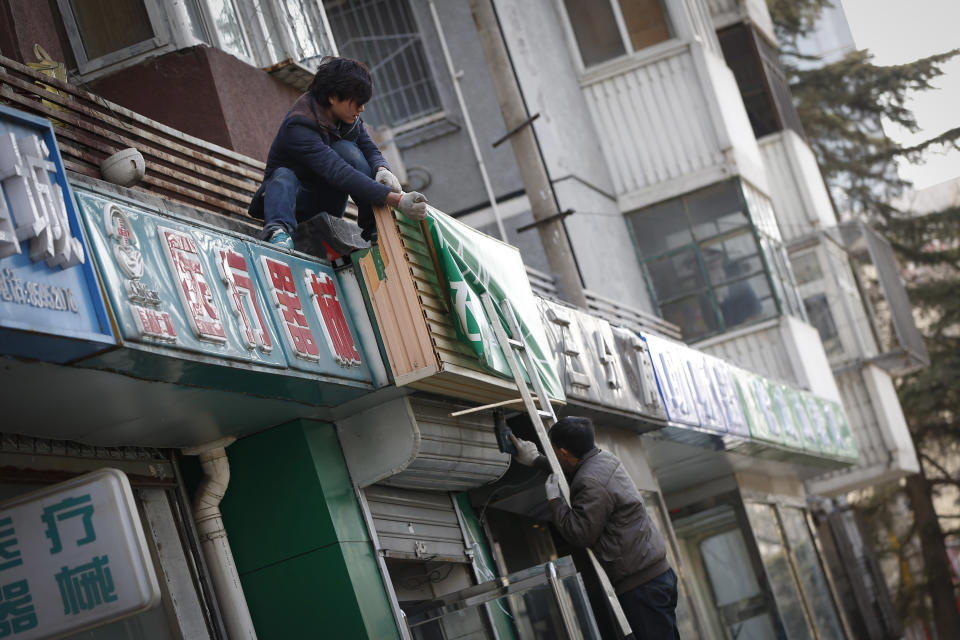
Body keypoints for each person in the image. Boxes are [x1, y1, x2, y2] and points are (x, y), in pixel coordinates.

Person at [510, 416, 680, 639]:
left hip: (641, 586)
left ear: (563, 452)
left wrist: (555, 502)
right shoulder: (603, 460)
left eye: (552, 450)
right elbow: (573, 470)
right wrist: (536, 460)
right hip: (655, 575)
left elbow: (579, 533)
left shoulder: (590, 482)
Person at [249, 56, 428, 249]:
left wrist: (382, 169)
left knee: (349, 150)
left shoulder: (346, 117)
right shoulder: (299, 126)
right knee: (283, 175)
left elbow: (369, 148)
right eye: (357, 102)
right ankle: (278, 233)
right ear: (333, 97)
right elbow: (339, 172)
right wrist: (397, 200)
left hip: (326, 204)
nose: (362, 108)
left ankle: (376, 230)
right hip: (292, 206)